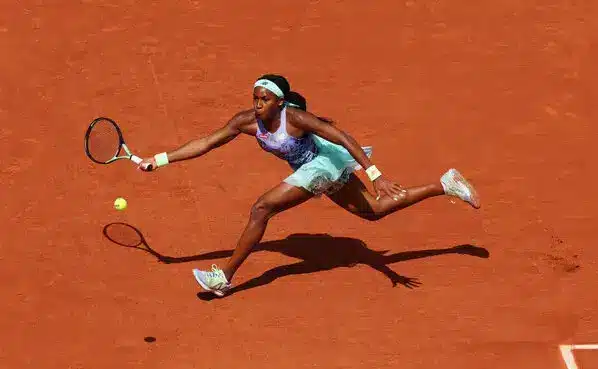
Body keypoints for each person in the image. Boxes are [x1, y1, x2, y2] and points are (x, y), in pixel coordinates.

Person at [139, 74, 480, 297]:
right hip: (315, 167)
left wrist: (375, 173)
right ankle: (444, 185)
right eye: (255, 97)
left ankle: (223, 277)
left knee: (262, 208)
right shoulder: (246, 122)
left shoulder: (297, 119)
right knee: (374, 212)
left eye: (264, 99)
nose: (257, 104)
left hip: (321, 164)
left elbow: (342, 137)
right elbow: (206, 142)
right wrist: (160, 158)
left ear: (280, 102)